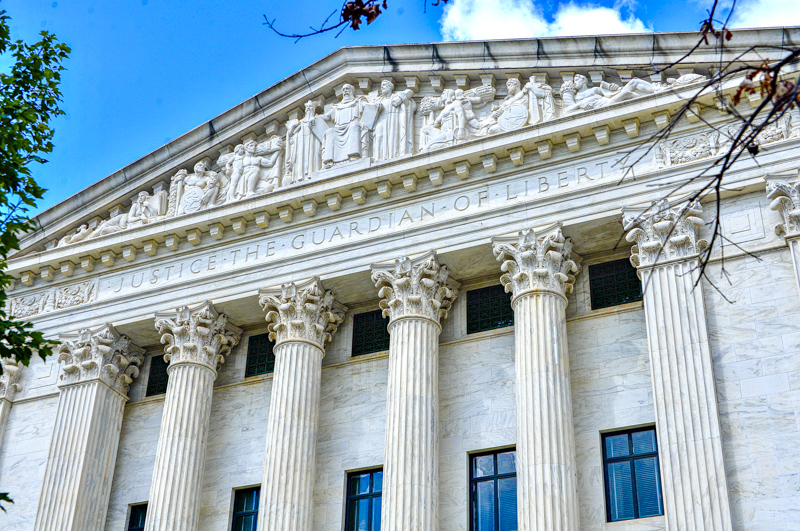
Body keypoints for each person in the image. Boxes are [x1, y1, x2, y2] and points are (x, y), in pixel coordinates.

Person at [320, 83, 369, 167]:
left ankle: (354, 155)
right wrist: (314, 117)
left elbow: (367, 106)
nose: (345, 91)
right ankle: (329, 161)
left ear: (352, 91)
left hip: (352, 126)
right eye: (344, 90)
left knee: (354, 126)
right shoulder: (337, 107)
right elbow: (326, 116)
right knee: (330, 131)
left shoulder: (358, 102)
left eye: (347, 89)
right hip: (338, 128)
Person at [371, 79, 415, 161]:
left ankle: (393, 156)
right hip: (381, 120)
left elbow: (409, 103)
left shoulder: (396, 96)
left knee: (392, 138)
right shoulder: (378, 100)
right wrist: (376, 107)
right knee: (379, 136)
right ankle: (379, 158)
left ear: (390, 87)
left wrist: (403, 99)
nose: (382, 87)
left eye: (384, 85)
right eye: (381, 86)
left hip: (393, 120)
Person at [285, 100, 322, 183]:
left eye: (310, 107)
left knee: (312, 156)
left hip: (313, 143)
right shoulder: (300, 122)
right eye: (307, 107)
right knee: (301, 158)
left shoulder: (317, 119)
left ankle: (311, 174)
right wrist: (292, 127)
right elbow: (290, 134)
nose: (308, 108)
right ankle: (299, 177)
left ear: (313, 109)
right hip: (301, 144)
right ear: (305, 110)